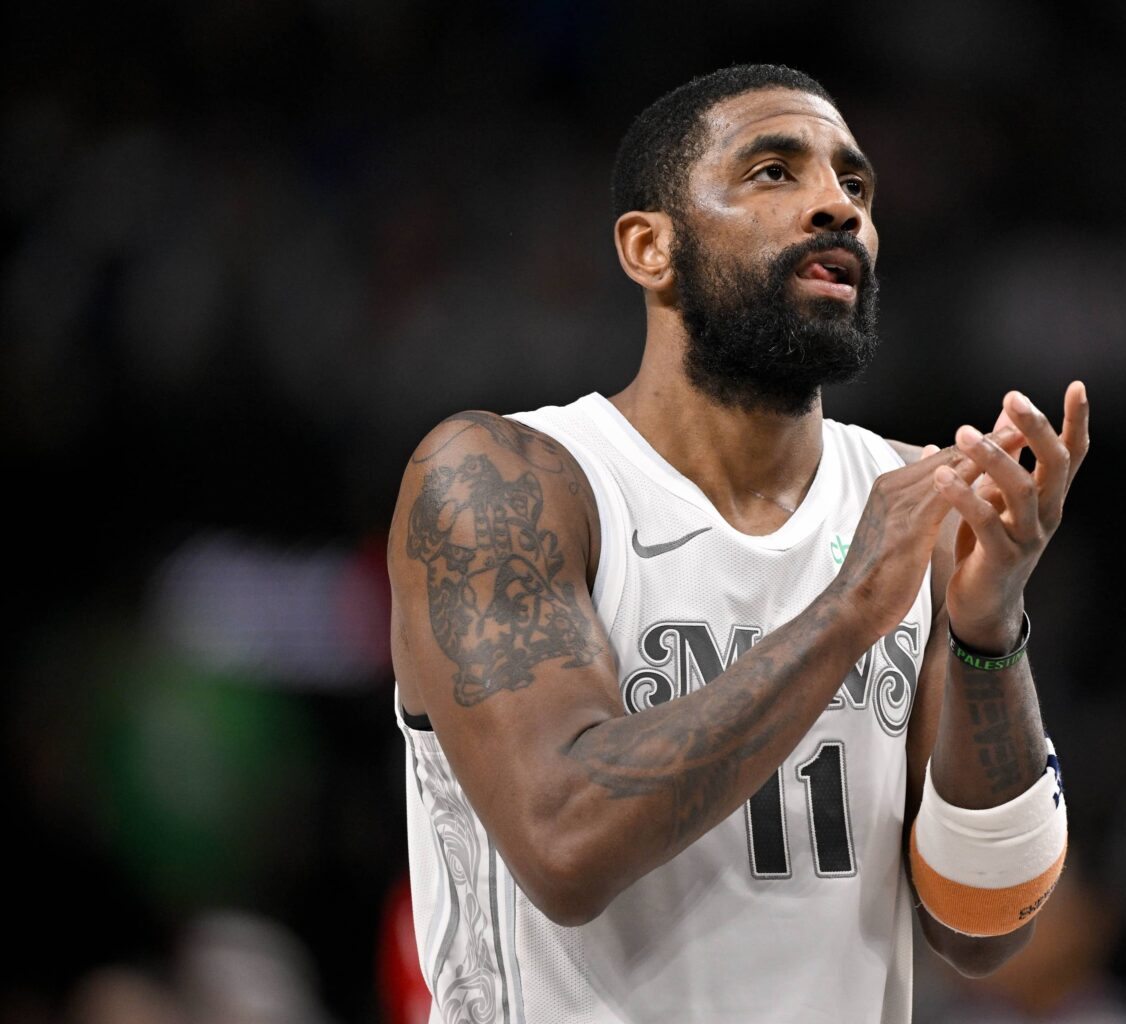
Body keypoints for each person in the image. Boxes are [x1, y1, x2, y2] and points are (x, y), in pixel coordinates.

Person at [388, 64, 1090, 1024]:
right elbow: (564, 842)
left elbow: (981, 924)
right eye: (773, 172)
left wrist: (987, 626)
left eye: (855, 186)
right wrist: (848, 611)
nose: (836, 208)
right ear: (649, 246)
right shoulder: (506, 481)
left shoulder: (910, 506)